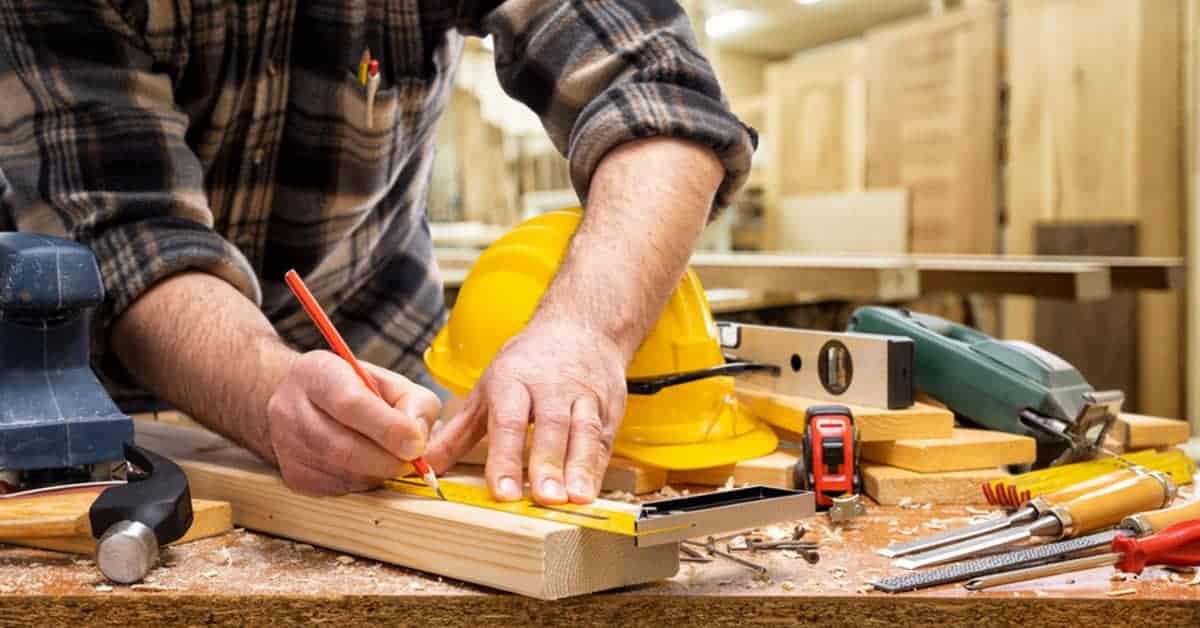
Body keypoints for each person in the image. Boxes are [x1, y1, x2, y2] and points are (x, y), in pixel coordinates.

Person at [0, 1, 754, 506]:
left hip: (389, 383)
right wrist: (268, 393)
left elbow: (663, 90)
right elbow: (131, 241)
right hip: (109, 423)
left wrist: (585, 330)